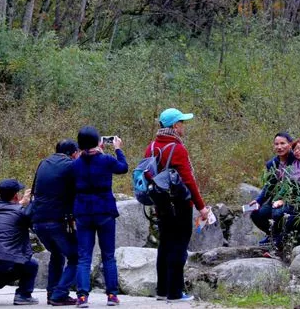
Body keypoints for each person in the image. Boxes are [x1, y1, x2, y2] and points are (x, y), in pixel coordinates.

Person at [144, 108, 209, 304]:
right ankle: (175, 292)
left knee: (164, 244)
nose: (184, 126)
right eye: (182, 122)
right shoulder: (178, 148)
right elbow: (189, 180)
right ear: (174, 126)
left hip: (161, 204)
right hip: (180, 203)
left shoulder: (152, 146)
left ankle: (162, 289)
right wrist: (201, 207)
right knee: (179, 246)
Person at [72, 126, 128, 308]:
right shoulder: (106, 160)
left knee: (84, 256)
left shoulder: (75, 164)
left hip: (83, 211)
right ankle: (112, 295)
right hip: (104, 210)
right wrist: (118, 149)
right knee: (108, 255)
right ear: (98, 142)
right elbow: (123, 168)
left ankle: (82, 297)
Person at [30, 140, 80, 306]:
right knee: (76, 257)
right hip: (56, 221)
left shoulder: (43, 163)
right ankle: (59, 293)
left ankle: (52, 292)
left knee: (57, 254)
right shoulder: (70, 165)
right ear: (73, 152)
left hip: (38, 220)